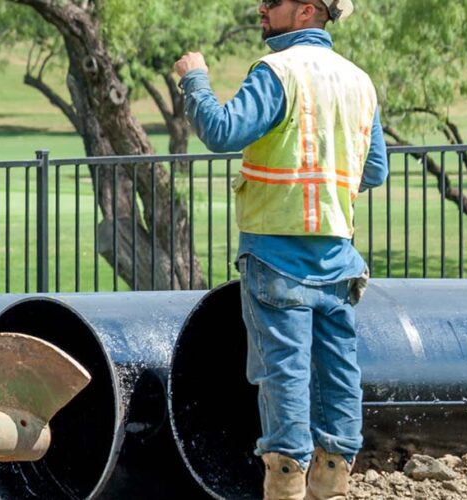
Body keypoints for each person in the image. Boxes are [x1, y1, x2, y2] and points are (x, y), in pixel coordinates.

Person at [173, 1, 386, 498]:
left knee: (284, 375)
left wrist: (195, 80)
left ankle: (286, 485)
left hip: (276, 256)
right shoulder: (358, 81)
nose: (261, 7)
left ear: (307, 10)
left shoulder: (279, 71)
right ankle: (332, 482)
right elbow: (374, 169)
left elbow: (222, 131)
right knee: (338, 375)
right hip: (337, 259)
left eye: (273, 1)